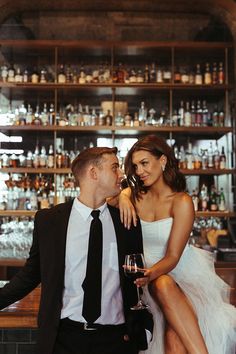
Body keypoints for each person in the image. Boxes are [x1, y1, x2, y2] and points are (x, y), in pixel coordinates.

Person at [0, 146, 153, 354]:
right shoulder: (49, 221)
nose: (121, 174)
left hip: (117, 340)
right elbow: (29, 275)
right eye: (115, 168)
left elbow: (136, 280)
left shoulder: (127, 222)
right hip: (64, 340)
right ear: (93, 173)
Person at [118, 135, 236, 354]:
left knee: (174, 334)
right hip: (146, 281)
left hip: (180, 275)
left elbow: (173, 257)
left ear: (162, 161)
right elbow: (108, 199)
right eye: (135, 166)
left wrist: (149, 275)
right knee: (173, 330)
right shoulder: (133, 196)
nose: (139, 171)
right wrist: (124, 195)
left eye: (145, 163)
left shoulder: (181, 202)